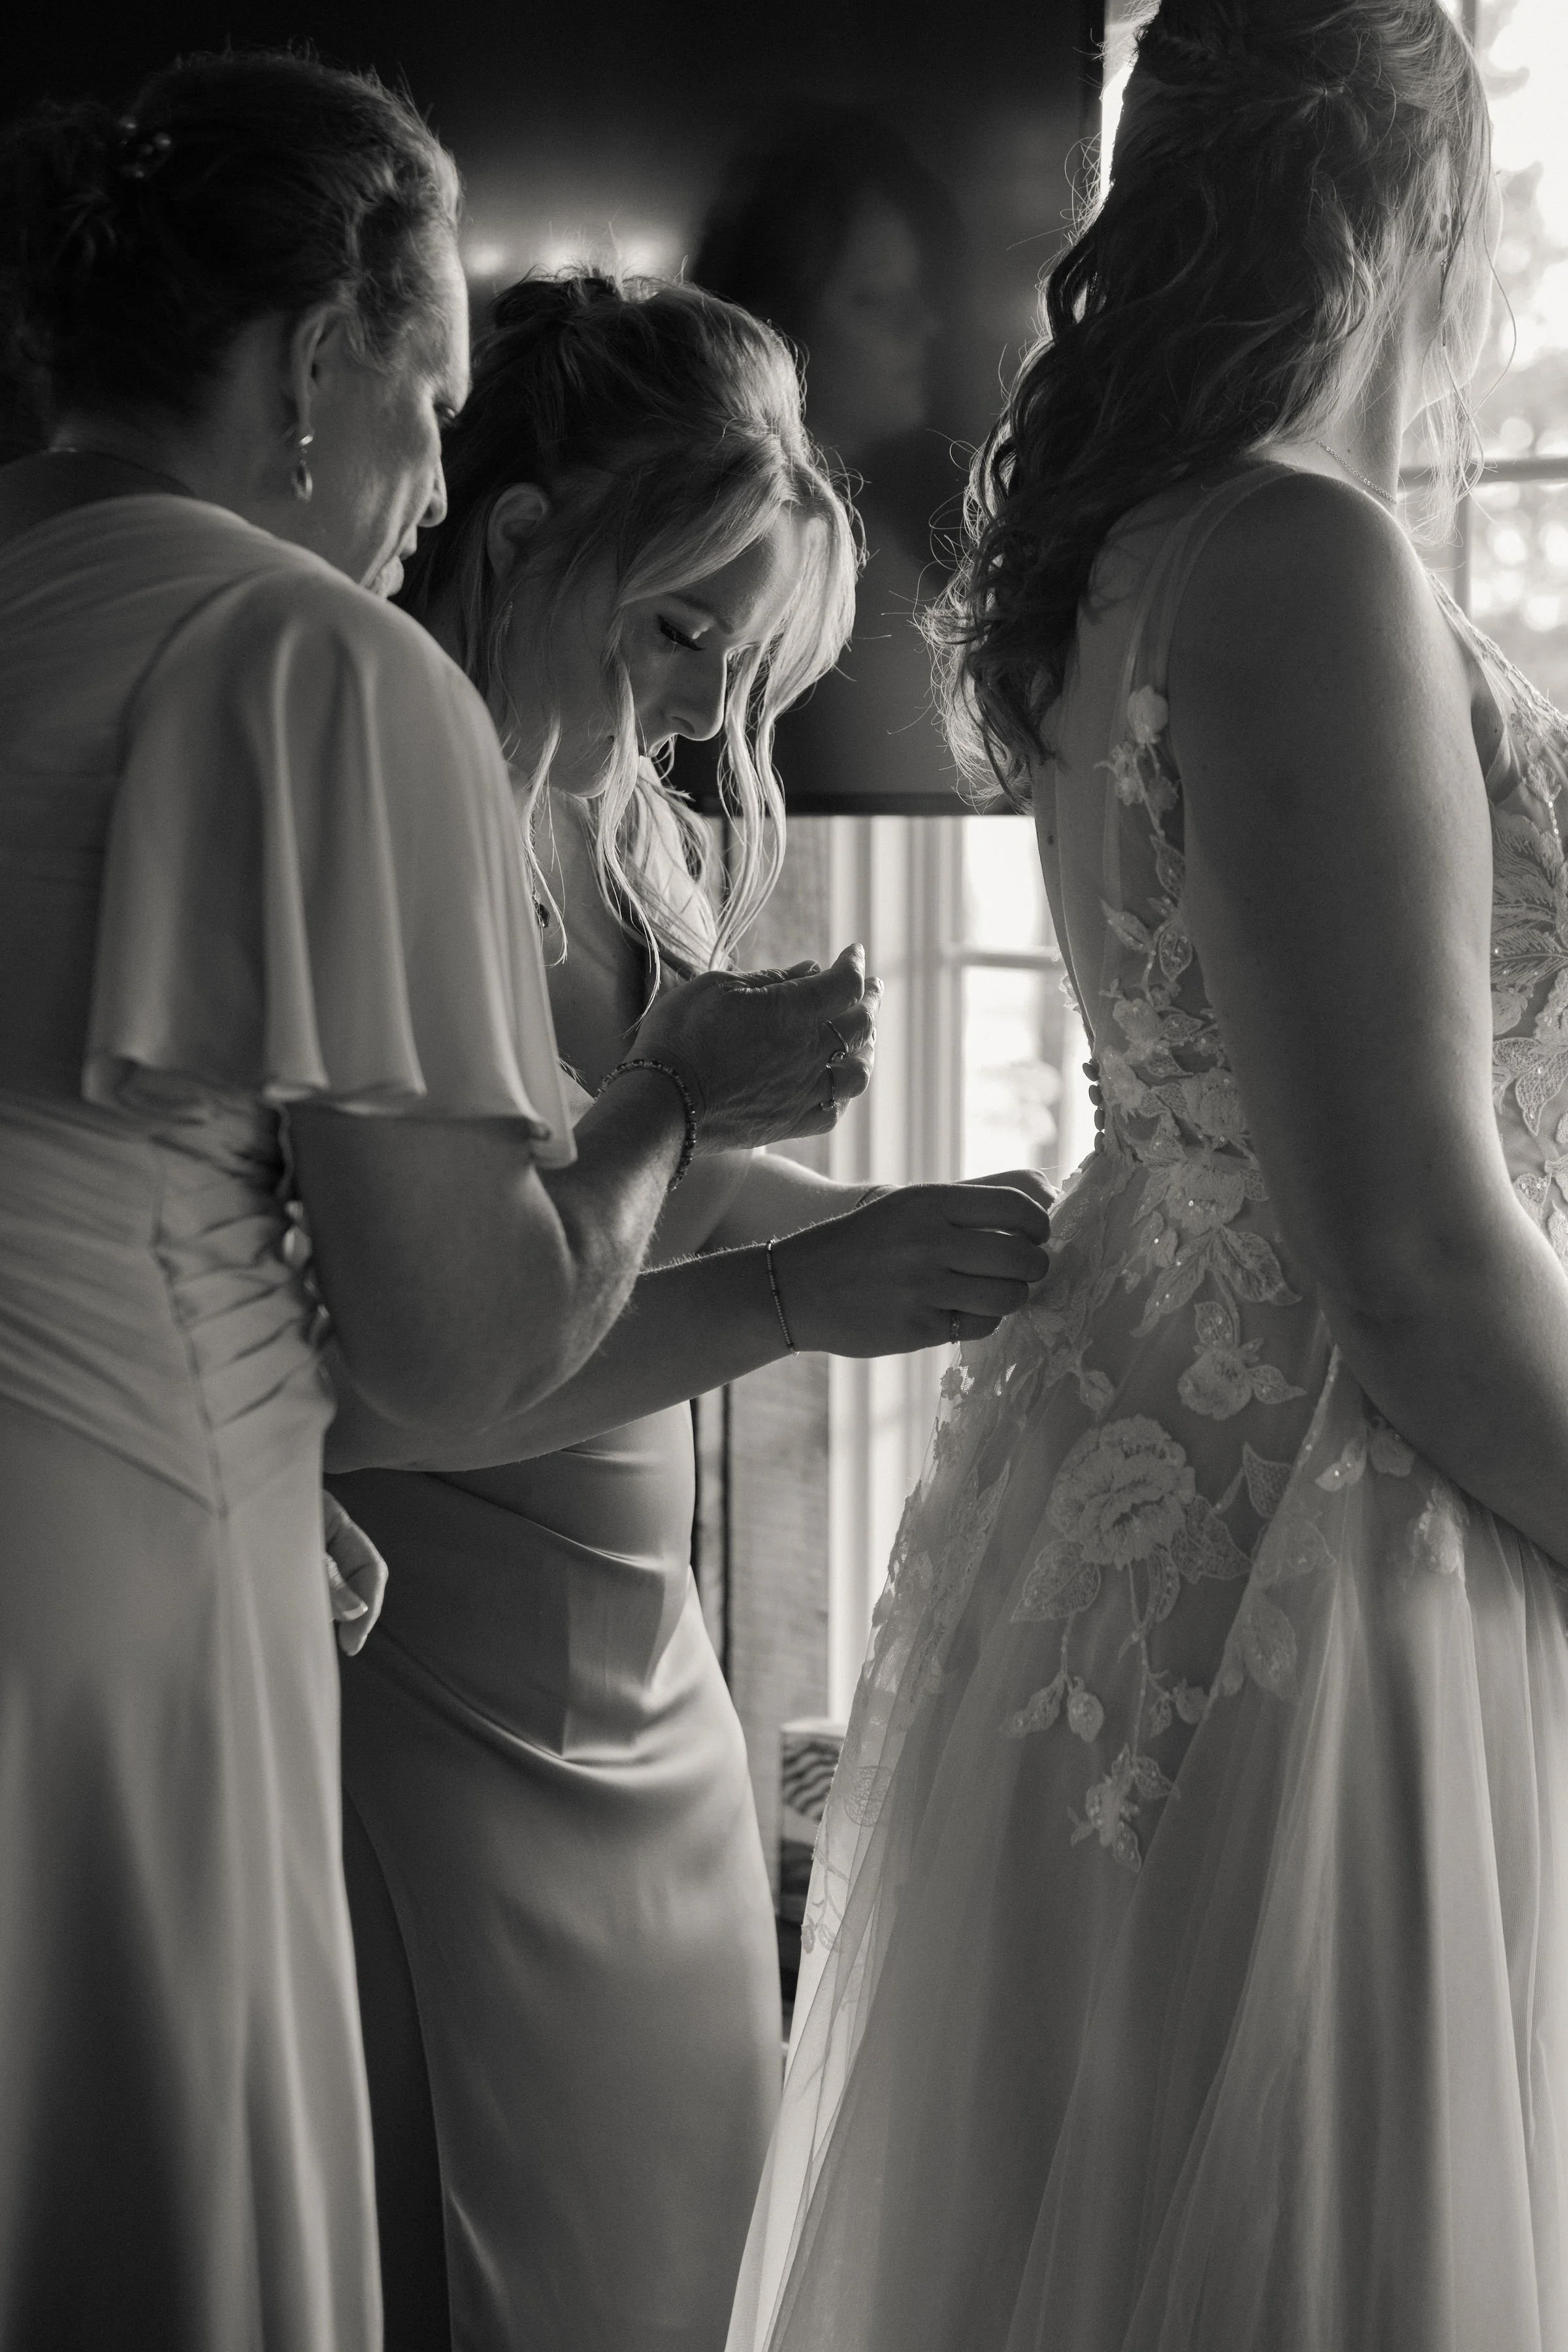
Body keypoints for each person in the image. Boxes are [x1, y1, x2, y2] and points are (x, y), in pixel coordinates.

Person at [0, 58, 886, 2351]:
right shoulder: (327, 663)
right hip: (139, 1581)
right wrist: (681, 1100)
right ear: (317, 360)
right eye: (432, 393)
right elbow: (463, 1345)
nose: (427, 488)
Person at [727, 3, 1568, 2347]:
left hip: (1142, 1497)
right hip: (1329, 1533)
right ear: (1421, 197)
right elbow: (1401, 1250)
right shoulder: (1303, 558)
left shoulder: (1152, 546)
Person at [323, 270, 1055, 2352]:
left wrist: (885, 1228)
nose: (694, 713)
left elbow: (649, 1178)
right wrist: (797, 1294)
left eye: (737, 668)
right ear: (527, 533)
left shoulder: (597, 827)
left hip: (651, 1702)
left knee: (673, 2268)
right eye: (676, 636)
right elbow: (419, 1374)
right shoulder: (394, 823)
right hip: (441, 1699)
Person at [691, 111, 966, 808]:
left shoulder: (903, 532)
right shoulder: (771, 568)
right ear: (779, 324)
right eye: (876, 300)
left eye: (919, 291)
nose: (923, 326)